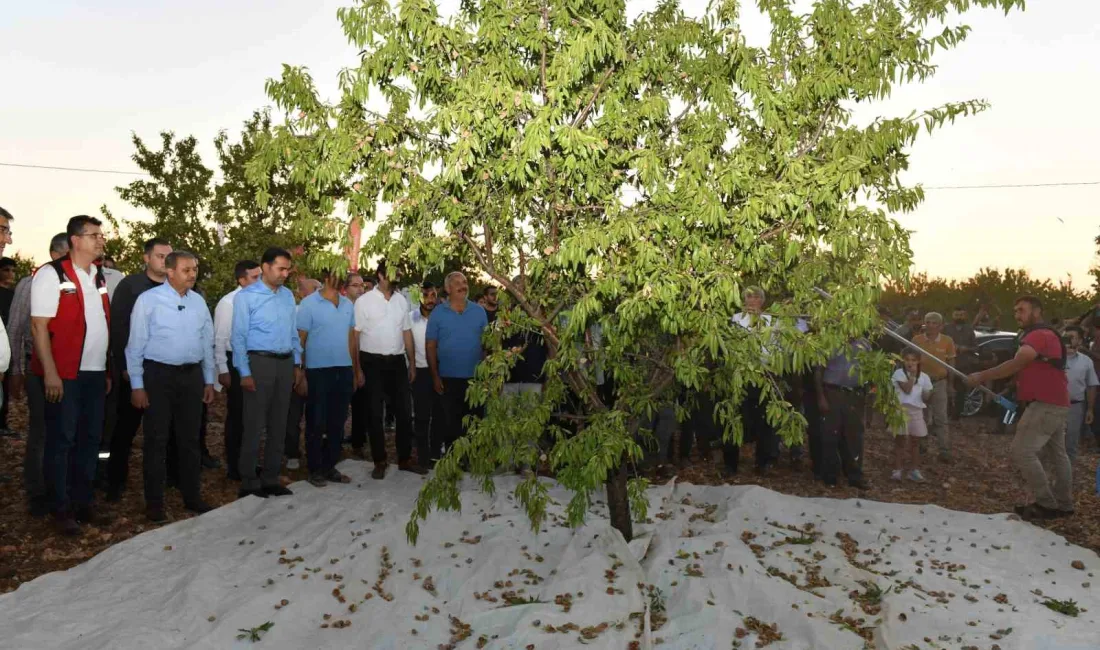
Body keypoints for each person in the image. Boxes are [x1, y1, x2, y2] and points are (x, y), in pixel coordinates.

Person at [31, 215, 111, 535]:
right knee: (62, 439)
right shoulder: (51, 274)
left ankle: (83, 502)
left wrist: (106, 368)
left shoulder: (98, 275)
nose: (100, 240)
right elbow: (38, 326)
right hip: (64, 373)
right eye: (94, 236)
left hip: (95, 371)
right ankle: (60, 508)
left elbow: (101, 322)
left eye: (101, 235)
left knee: (90, 439)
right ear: (76, 240)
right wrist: (50, 373)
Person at [125, 251, 215, 522]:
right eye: (187, 269)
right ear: (170, 271)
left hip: (191, 378)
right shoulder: (148, 301)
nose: (193, 274)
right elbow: (135, 346)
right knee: (156, 440)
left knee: (190, 440)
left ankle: (192, 496)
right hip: (158, 377)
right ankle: (155, 503)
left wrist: (208, 379)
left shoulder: (198, 302)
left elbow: (206, 342)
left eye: (195, 269)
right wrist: (137, 385)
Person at [967, 296, 1072, 521]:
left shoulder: (1039, 335)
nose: (1017, 315)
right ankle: (1064, 505)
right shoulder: (1042, 335)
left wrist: (981, 376)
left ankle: (1047, 504)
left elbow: (1018, 362)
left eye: (1022, 310)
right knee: (1057, 455)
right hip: (1055, 403)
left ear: (1037, 311)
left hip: (1045, 404)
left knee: (1022, 451)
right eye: (1015, 311)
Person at [104, 238, 172, 502]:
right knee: (125, 429)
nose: (165, 261)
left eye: (169, 256)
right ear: (146, 258)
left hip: (165, 372)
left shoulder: (175, 285)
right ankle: (114, 481)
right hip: (134, 370)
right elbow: (119, 328)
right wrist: (124, 368)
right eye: (159, 255)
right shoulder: (130, 286)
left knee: (165, 429)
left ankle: (167, 479)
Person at [231, 247, 302, 499]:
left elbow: (293, 333)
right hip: (258, 363)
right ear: (265, 267)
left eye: (287, 269)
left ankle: (271, 477)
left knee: (278, 424)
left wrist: (297, 363)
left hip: (284, 363)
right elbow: (238, 338)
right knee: (254, 424)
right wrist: (244, 372)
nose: (285, 273)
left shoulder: (287, 297)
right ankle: (249, 480)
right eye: (280, 268)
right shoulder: (246, 297)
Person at [9, 233, 69, 514]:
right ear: (56, 255)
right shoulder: (31, 283)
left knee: (67, 429)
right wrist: (17, 370)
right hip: (37, 368)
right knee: (41, 430)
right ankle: (37, 492)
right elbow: (18, 329)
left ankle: (63, 486)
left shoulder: (80, 281)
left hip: (72, 370)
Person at [355, 261, 419, 478]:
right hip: (371, 363)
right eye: (393, 272)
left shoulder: (401, 300)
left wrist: (411, 362)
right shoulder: (364, 302)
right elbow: (354, 336)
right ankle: (379, 461)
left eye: (399, 271)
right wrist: (357, 369)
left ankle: (404, 459)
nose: (398, 275)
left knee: (403, 413)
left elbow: (407, 332)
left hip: (398, 363)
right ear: (381, 275)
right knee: (374, 414)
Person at [297, 270, 359, 486]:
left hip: (343, 370)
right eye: (335, 273)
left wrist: (355, 370)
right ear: (325, 276)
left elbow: (352, 339)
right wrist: (300, 371)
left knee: (338, 422)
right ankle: (314, 469)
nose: (340, 277)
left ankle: (330, 466)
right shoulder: (308, 304)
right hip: (317, 371)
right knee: (316, 421)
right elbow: (300, 340)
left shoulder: (348, 305)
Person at [426, 271, 488, 456]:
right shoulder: (438, 313)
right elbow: (430, 346)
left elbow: (487, 344)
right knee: (451, 423)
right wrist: (435, 376)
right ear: (447, 288)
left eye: (465, 282)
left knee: (474, 421)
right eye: (457, 283)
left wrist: (486, 374)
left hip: (475, 379)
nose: (463, 285)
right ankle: (454, 461)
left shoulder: (479, 311)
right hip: (448, 378)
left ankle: (472, 459)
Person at [214, 260, 261, 479]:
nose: (259, 280)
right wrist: (222, 368)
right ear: (241, 280)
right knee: (238, 416)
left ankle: (250, 462)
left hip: (258, 360)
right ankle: (235, 467)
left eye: (260, 276)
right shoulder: (228, 303)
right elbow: (221, 338)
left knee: (254, 416)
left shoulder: (263, 299)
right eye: (254, 277)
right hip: (235, 362)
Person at [727, 286, 778, 474]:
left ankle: (762, 463)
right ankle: (730, 464)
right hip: (740, 374)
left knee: (764, 421)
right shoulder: (736, 319)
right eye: (748, 297)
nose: (752, 300)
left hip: (763, 375)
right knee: (735, 418)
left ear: (762, 301)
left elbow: (775, 349)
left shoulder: (771, 320)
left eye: (756, 297)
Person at [815, 338, 870, 489]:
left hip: (855, 395)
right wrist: (821, 398)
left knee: (854, 436)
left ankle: (855, 476)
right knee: (830, 434)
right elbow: (819, 370)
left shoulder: (864, 344)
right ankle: (830, 476)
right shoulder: (829, 341)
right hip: (832, 393)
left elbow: (870, 369)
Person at [285, 276, 320, 471]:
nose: (317, 293)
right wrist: (299, 371)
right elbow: (296, 344)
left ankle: (315, 452)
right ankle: (291, 452)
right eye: (312, 289)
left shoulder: (324, 312)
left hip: (319, 371)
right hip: (298, 371)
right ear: (300, 293)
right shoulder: (295, 313)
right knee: (293, 416)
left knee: (317, 415)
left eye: (318, 289)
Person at [911, 312, 956, 462]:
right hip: (921, 382)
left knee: (941, 418)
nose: (930, 325)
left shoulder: (947, 341)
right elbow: (910, 362)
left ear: (941, 326)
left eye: (934, 323)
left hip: (939, 382)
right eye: (928, 322)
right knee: (921, 416)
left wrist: (951, 384)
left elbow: (951, 364)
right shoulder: (917, 340)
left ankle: (944, 450)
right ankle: (921, 445)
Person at [410, 281, 443, 465]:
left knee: (439, 415)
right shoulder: (410, 318)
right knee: (421, 416)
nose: (430, 300)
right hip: (420, 372)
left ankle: (435, 454)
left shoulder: (443, 317)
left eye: (433, 295)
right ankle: (422, 456)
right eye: (426, 295)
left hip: (441, 371)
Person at [891, 349, 933, 482]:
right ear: (903, 361)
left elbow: (926, 396)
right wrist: (913, 376)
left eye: (913, 360)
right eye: (907, 360)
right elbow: (907, 389)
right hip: (901, 410)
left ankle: (914, 470)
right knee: (900, 440)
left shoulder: (925, 376)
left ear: (918, 361)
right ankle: (898, 470)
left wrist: (927, 393)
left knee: (916, 442)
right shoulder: (898, 374)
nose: (910, 363)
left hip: (916, 411)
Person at [1061, 325, 1097, 462]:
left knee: (1071, 441)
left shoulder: (1086, 362)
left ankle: (1067, 477)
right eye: (1065, 337)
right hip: (1052, 406)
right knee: (1049, 442)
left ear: (1080, 341)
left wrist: (1090, 409)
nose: (1068, 340)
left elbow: (1091, 385)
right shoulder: (1054, 359)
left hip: (1075, 407)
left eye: (1072, 337)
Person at [344, 272, 370, 455]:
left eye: (362, 285)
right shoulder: (341, 308)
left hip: (363, 360)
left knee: (361, 404)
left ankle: (358, 441)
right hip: (341, 361)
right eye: (355, 285)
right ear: (345, 289)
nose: (361, 289)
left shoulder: (368, 308)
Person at [943, 306, 977, 420]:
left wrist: (965, 348)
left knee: (961, 392)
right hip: (946, 364)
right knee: (945, 391)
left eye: (961, 315)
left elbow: (975, 348)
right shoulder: (946, 329)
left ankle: (956, 416)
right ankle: (944, 415)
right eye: (957, 315)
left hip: (964, 365)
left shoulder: (969, 330)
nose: (959, 317)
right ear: (953, 316)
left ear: (965, 316)